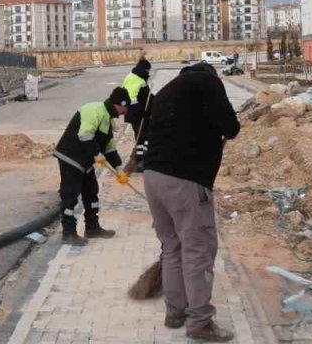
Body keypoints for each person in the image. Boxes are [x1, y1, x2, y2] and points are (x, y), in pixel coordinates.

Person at [138, 62, 240, 342]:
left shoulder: (166, 90)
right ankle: (200, 322)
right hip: (185, 182)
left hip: (152, 177)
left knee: (172, 248)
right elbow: (231, 126)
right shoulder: (207, 83)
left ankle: (175, 312)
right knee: (198, 251)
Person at [52, 87, 131, 246]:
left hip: (85, 161)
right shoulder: (94, 110)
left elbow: (109, 146)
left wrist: (119, 169)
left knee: (91, 191)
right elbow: (84, 135)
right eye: (126, 107)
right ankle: (69, 233)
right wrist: (96, 154)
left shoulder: (108, 118)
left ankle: (92, 228)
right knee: (70, 195)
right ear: (120, 104)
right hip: (71, 157)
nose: (126, 111)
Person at [121, 58, 152, 170]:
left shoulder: (129, 76)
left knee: (138, 135)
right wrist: (146, 112)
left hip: (129, 111)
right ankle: (143, 160)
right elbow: (146, 98)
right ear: (145, 69)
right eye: (148, 71)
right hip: (137, 111)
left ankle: (139, 158)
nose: (149, 73)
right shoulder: (141, 81)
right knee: (145, 135)